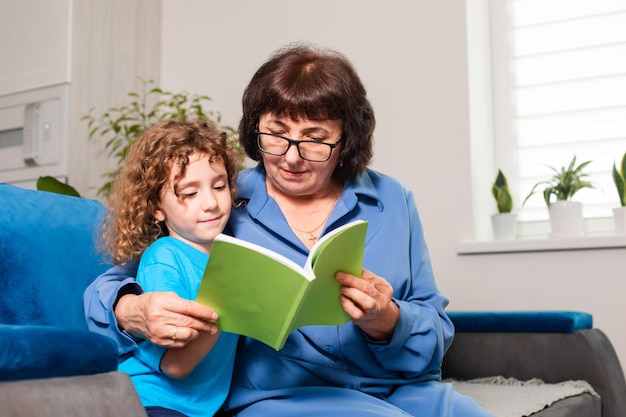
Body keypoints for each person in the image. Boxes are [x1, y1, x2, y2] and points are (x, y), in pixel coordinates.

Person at [85, 43, 493, 417]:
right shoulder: (220, 200)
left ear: (346, 140)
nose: (292, 158)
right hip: (281, 396)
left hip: (397, 388)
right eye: (276, 135)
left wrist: (388, 319)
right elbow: (112, 284)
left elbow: (435, 328)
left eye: (315, 140)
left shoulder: (393, 200)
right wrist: (132, 309)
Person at [99, 119, 240, 417]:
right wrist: (233, 309)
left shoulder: (229, 256)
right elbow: (175, 366)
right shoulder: (165, 257)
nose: (211, 203)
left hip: (200, 407)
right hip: (151, 400)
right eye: (189, 194)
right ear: (157, 209)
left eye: (219, 185)